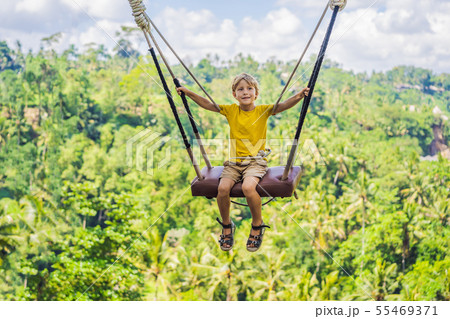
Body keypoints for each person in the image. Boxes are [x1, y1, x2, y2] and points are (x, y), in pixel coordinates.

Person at [177, 73, 309, 252]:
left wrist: (299, 95)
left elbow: (283, 105)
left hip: (256, 162)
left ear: (256, 94)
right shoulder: (231, 110)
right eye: (240, 89)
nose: (245, 92)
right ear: (234, 94)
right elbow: (208, 104)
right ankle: (226, 225)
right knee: (222, 189)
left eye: (249, 89)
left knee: (248, 188)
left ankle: (257, 224)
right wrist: (188, 92)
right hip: (234, 163)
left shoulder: (263, 110)